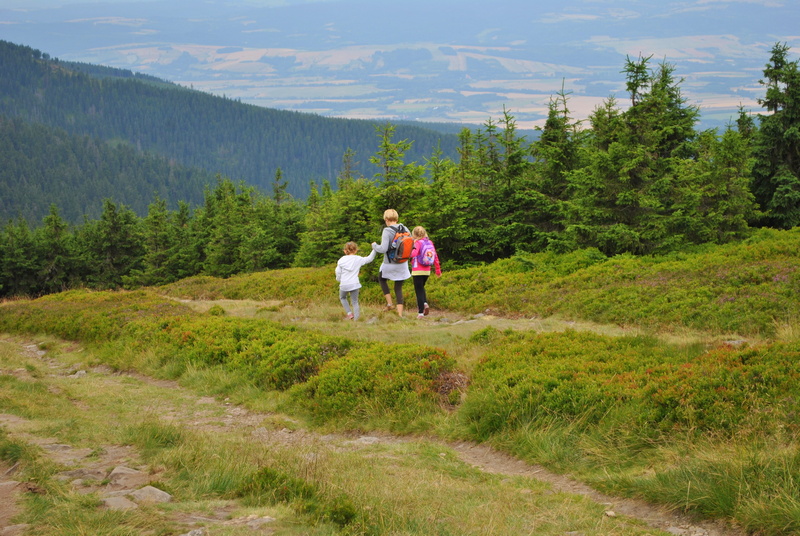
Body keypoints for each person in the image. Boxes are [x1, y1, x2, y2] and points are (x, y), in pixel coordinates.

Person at [371, 208, 411, 317]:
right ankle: (400, 314)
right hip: (403, 263)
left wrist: (374, 246)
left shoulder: (387, 230)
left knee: (381, 278)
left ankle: (389, 303)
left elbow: (383, 249)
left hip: (390, 263)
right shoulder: (405, 228)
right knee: (398, 288)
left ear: (387, 219)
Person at [335, 241, 376, 321]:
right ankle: (356, 320)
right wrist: (374, 249)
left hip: (344, 284)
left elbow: (338, 272)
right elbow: (369, 259)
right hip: (354, 284)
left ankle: (349, 314)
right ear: (356, 250)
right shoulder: (358, 259)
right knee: (355, 302)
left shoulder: (341, 260)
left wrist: (339, 279)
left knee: (342, 297)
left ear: (345, 251)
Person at [410, 226, 441, 319]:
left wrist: (411, 247)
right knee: (421, 288)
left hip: (417, 270)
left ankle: (420, 313)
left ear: (414, 234)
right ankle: (425, 303)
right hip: (427, 270)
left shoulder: (418, 243)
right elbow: (435, 256)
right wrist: (438, 270)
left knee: (418, 290)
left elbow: (413, 254)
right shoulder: (429, 242)